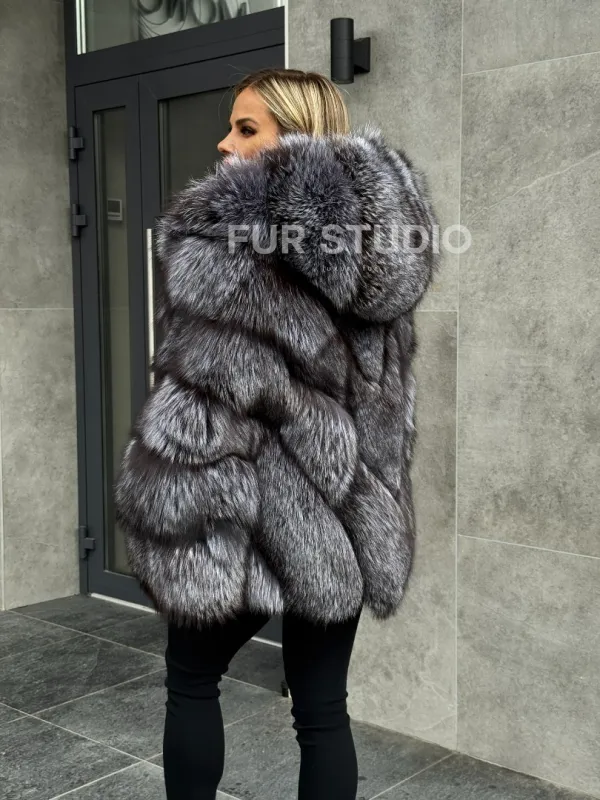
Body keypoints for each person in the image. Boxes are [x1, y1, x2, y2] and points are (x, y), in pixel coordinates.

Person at [113, 67, 439, 800]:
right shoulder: (384, 246)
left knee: (191, 679)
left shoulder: (233, 245)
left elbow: (203, 410)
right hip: (346, 517)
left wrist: (170, 512)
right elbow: (382, 403)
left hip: (253, 516)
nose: (224, 145)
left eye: (246, 128)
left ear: (293, 139)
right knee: (322, 712)